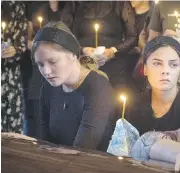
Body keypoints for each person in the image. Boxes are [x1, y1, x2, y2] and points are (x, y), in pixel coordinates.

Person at [33, 21, 116, 151]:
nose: (46, 72)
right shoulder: (48, 87)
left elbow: (83, 150)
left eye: (53, 61)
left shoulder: (98, 88)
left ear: (72, 54)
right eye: (40, 65)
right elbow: (43, 142)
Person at [127, 36, 180, 135]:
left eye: (173, 65)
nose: (165, 71)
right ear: (145, 68)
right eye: (157, 64)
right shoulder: (133, 105)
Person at [61, 1, 138, 90]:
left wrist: (113, 51)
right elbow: (63, 36)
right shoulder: (74, 3)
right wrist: (82, 50)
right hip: (82, 65)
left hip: (114, 66)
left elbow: (133, 36)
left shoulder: (120, 3)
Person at [23, 0, 66, 137]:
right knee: (38, 122)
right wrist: (39, 43)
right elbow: (26, 41)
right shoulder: (34, 7)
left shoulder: (70, 6)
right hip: (39, 71)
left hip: (61, 73)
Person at [1, 1, 27, 133]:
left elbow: (22, 42)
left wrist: (15, 50)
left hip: (10, 73)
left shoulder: (17, 5)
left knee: (13, 122)